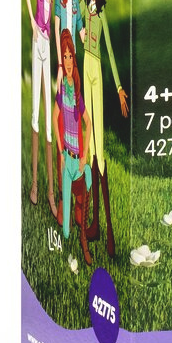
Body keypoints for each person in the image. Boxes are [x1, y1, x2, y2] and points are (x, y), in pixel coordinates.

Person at [80, 0, 128, 257]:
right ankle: (95, 223)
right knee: (91, 149)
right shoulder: (85, 3)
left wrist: (120, 88)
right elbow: (80, 28)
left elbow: (109, 47)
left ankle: (108, 229)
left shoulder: (102, 9)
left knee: (100, 152)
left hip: (96, 69)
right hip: (84, 66)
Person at [23, 0, 58, 217]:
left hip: (49, 43)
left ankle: (50, 192)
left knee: (48, 117)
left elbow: (55, 10)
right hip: (38, 42)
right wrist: (33, 23)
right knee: (35, 111)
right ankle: (35, 183)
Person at [55, 29, 93, 265]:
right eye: (65, 57)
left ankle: (84, 233)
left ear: (74, 60)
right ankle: (71, 235)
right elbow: (54, 117)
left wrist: (85, 155)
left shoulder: (77, 94)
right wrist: (61, 151)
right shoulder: (62, 90)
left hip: (78, 159)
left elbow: (88, 123)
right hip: (66, 158)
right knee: (66, 231)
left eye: (70, 56)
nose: (68, 61)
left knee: (88, 175)